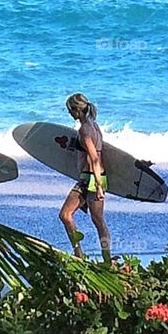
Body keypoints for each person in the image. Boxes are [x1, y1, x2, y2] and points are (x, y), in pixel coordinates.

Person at [58, 92, 112, 262]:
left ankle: (78, 254)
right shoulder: (94, 125)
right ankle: (107, 259)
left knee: (65, 215)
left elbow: (94, 158)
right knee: (99, 221)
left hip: (90, 179)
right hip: (98, 177)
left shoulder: (84, 130)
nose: (69, 113)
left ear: (76, 110)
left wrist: (97, 186)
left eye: (70, 110)